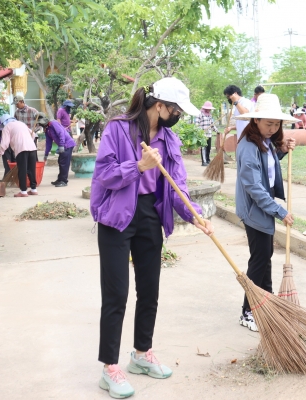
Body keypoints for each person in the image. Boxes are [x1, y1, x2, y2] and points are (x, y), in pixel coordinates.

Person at [90, 77, 214, 399]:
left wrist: (194, 214)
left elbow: (177, 185)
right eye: (176, 110)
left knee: (149, 290)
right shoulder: (119, 129)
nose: (178, 116)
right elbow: (104, 174)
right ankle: (110, 368)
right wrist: (138, 166)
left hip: (149, 215)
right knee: (116, 294)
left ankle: (142, 354)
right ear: (159, 105)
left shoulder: (169, 139)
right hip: (116, 216)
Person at [234, 93, 297, 332]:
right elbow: (253, 186)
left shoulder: (264, 142)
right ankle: (247, 311)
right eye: (268, 123)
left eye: (277, 124)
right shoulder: (248, 145)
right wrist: (279, 210)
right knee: (259, 259)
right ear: (256, 120)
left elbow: (267, 165)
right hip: (255, 208)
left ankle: (267, 304)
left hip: (263, 205)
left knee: (264, 256)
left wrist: (282, 150)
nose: (273, 128)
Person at [0, 114, 38, 197]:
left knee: (22, 170)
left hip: (21, 149)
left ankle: (23, 191)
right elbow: (33, 135)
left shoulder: (7, 127)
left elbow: (5, 144)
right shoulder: (21, 124)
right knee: (31, 169)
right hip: (32, 148)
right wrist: (28, 141)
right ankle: (34, 189)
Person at [38, 112, 76, 187]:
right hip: (63, 145)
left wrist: (61, 145)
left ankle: (64, 181)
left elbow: (61, 133)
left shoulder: (53, 123)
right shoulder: (47, 129)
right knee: (60, 161)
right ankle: (60, 179)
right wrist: (46, 154)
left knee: (64, 163)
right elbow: (48, 142)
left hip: (67, 145)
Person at [196, 101, 219, 166]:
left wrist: (217, 131)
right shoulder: (200, 114)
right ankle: (204, 162)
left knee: (208, 148)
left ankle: (208, 160)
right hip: (202, 135)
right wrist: (200, 131)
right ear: (205, 108)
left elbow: (212, 125)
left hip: (209, 134)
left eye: (210, 109)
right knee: (204, 148)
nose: (209, 110)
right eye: (208, 108)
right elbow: (196, 124)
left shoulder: (210, 115)